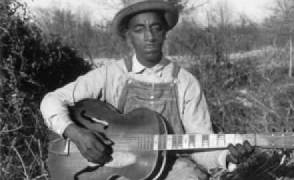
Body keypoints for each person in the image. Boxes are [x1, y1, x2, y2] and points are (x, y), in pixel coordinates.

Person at [40, 0, 254, 179]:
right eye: (139, 29)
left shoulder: (186, 82)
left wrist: (226, 158)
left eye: (156, 28)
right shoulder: (110, 74)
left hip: (172, 170)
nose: (149, 36)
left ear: (165, 33)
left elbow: (201, 142)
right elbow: (51, 100)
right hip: (118, 168)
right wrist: (75, 133)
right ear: (128, 36)